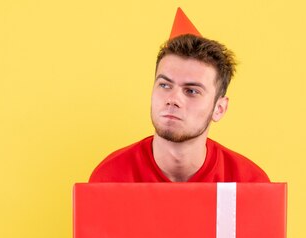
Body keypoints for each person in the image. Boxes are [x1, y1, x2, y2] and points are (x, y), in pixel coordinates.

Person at [89, 10, 269, 183]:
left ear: (219, 108)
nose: (173, 99)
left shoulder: (249, 183)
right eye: (165, 85)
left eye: (192, 91)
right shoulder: (110, 178)